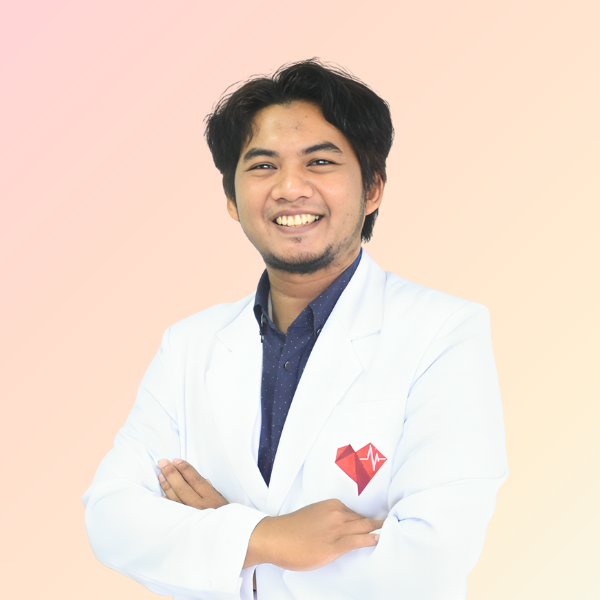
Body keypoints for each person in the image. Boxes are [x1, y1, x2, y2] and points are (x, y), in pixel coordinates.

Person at [82, 59, 508, 600]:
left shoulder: (443, 331)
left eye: (320, 161)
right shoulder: (188, 344)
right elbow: (111, 519)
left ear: (373, 188)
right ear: (232, 200)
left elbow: (429, 558)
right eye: (263, 166)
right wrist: (267, 537)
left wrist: (226, 545)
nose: (290, 188)